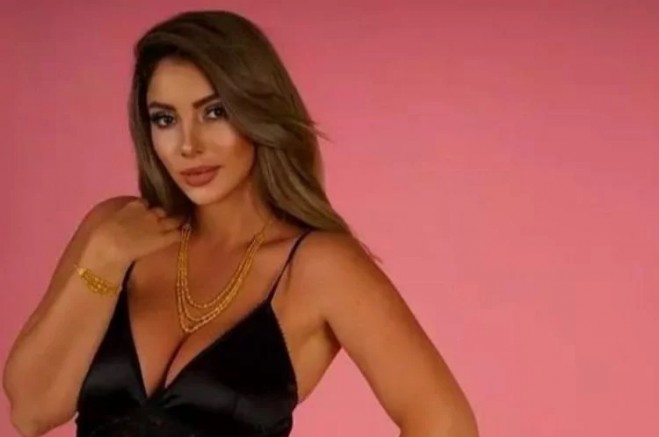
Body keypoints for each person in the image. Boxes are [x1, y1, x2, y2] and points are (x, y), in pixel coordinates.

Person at [3, 10, 478, 437]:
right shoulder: (116, 230)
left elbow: (446, 423)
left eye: (215, 112)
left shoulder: (317, 266)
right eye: (165, 119)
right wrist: (104, 259)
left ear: (258, 112)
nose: (189, 145)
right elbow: (32, 411)